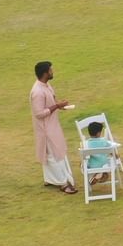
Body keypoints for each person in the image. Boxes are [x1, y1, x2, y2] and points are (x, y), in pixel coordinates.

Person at [29, 61, 76, 194]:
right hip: (46, 129)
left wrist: (59, 105)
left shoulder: (46, 86)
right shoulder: (37, 92)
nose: (52, 72)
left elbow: (50, 102)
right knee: (53, 155)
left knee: (54, 152)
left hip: (52, 125)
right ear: (45, 73)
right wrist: (57, 106)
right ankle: (62, 182)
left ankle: (50, 178)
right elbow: (39, 113)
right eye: (50, 70)